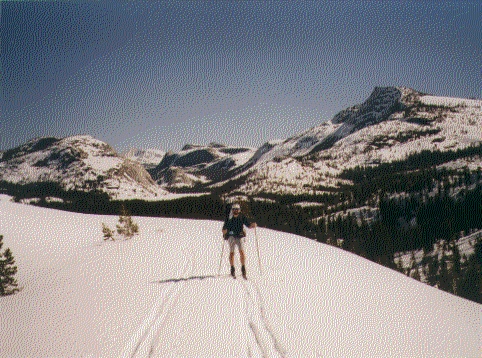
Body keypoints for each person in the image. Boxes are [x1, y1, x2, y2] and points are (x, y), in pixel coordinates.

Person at [222, 203, 256, 279]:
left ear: (239, 210)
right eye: (234, 209)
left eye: (237, 209)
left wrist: (252, 225)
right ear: (232, 210)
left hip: (239, 236)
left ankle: (243, 267)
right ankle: (232, 268)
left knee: (241, 251)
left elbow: (248, 225)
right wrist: (224, 231)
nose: (235, 211)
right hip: (231, 236)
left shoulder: (241, 217)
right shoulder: (229, 218)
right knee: (232, 252)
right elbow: (224, 227)